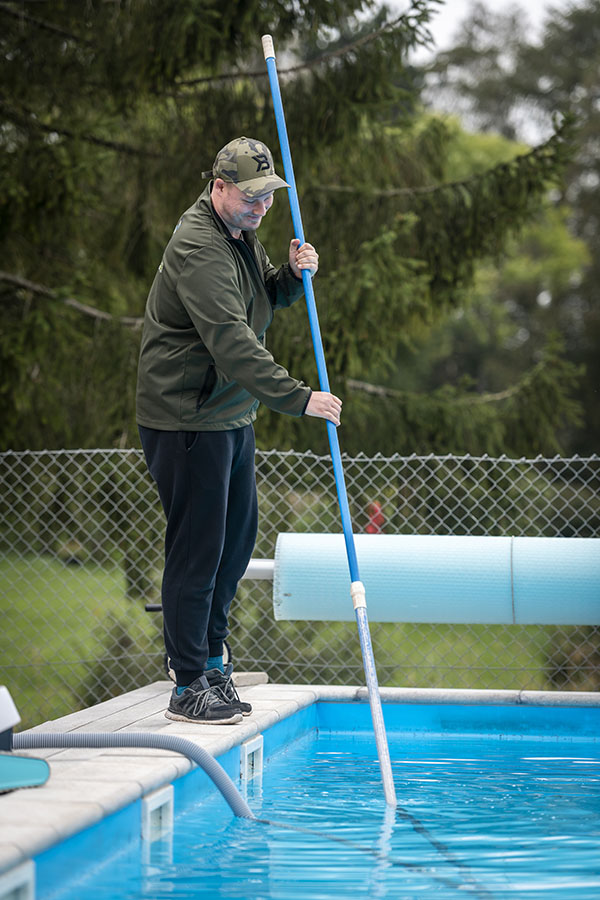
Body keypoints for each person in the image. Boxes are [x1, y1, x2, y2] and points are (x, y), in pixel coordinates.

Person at [136, 136, 342, 725]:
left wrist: (291, 279)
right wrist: (299, 397)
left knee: (235, 542)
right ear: (218, 187)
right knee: (198, 549)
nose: (260, 208)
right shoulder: (200, 245)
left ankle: (212, 660)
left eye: (268, 198)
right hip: (186, 417)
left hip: (227, 414)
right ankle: (188, 679)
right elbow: (231, 341)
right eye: (250, 197)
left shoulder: (237, 233)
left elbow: (259, 300)